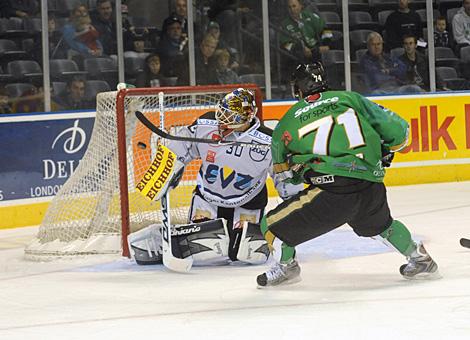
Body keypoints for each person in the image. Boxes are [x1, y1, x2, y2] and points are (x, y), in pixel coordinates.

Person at [255, 62, 439, 287]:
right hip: (370, 185)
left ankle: (287, 267)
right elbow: (400, 133)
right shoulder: (351, 99)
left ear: (299, 88)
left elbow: (285, 179)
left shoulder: (288, 121)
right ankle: (420, 259)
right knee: (383, 226)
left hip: (333, 193)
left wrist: (299, 169)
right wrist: (384, 150)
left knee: (270, 226)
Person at [128, 88, 302, 266]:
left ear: (248, 116)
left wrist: (295, 206)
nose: (223, 121)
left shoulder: (267, 142)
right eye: (223, 113)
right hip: (207, 199)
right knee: (204, 250)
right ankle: (165, 239)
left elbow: (285, 178)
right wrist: (166, 168)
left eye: (231, 117)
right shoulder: (206, 124)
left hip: (247, 202)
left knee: (247, 254)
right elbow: (183, 145)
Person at [279, 0, 330, 64]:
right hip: (298, 57)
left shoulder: (310, 16)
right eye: (289, 7)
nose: (292, 9)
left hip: (316, 51)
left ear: (301, 6)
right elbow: (286, 44)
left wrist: (327, 44)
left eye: (294, 6)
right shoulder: (284, 24)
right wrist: (300, 49)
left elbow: (325, 29)